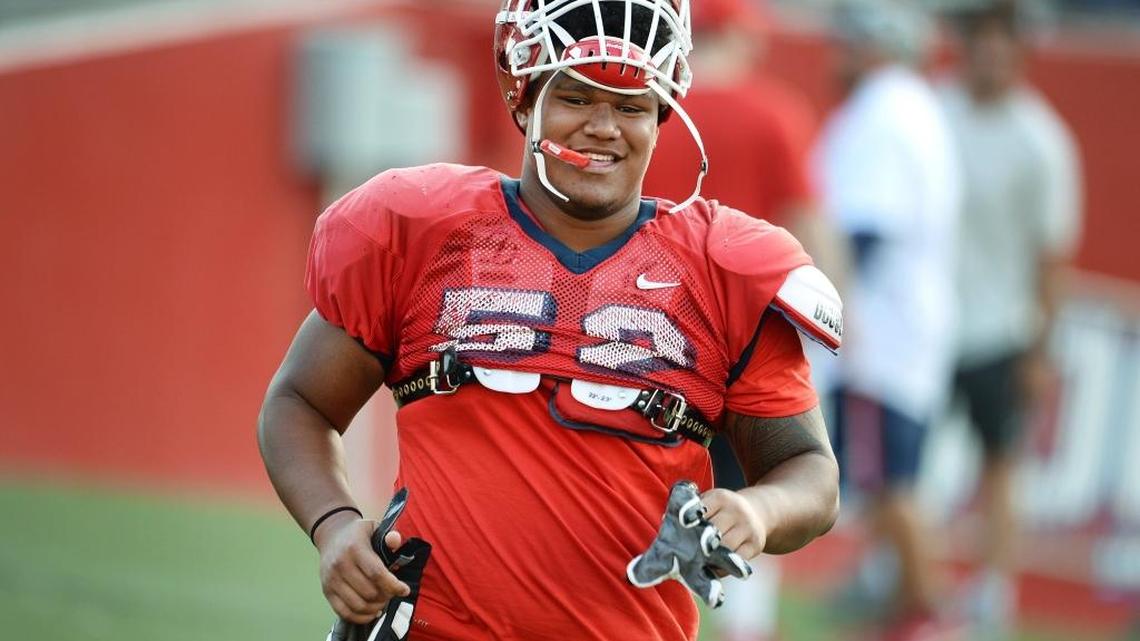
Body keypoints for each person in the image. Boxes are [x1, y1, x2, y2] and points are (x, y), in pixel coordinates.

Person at [257, 2, 843, 641]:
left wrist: (759, 510)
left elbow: (809, 471)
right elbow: (299, 401)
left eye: (630, 107)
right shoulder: (426, 232)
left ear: (661, 118)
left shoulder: (721, 268)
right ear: (523, 98)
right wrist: (336, 524)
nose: (602, 127)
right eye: (574, 97)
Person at [642, 1, 844, 639]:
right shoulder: (776, 113)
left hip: (637, 331)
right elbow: (810, 227)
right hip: (743, 338)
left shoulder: (648, 109)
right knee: (752, 496)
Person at [812, 1, 961, 640]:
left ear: (881, 47)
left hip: (882, 326)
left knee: (890, 480)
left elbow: (866, 228)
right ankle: (907, 609)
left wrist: (830, 308)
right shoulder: (909, 108)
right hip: (903, 321)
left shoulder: (885, 112)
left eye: (853, 41)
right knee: (887, 479)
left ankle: (926, 613)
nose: (840, 51)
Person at [938, 1, 1083, 636]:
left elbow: (1052, 257)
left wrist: (1040, 350)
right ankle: (901, 570)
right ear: (965, 44)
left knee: (999, 464)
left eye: (1002, 40)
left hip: (1001, 327)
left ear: (1019, 50)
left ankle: (994, 592)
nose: (989, 52)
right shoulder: (933, 111)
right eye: (981, 38)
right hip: (931, 320)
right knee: (909, 460)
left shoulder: (1041, 140)